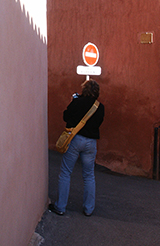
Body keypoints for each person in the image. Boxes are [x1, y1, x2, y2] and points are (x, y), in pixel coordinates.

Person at [49, 79, 105, 217]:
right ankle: (88, 208)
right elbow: (99, 122)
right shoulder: (100, 107)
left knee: (66, 173)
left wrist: (73, 101)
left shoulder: (77, 102)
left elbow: (66, 116)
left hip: (75, 140)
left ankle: (60, 206)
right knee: (89, 175)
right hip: (91, 143)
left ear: (84, 90)